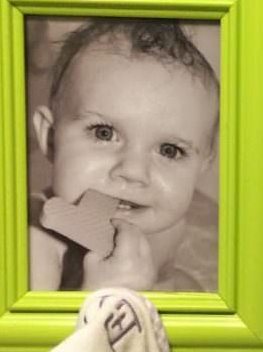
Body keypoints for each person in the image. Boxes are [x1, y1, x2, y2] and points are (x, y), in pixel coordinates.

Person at [28, 18, 219, 292]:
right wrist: (100, 295)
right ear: (50, 138)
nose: (133, 171)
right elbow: (32, 336)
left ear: (203, 164)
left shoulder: (168, 227)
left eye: (169, 150)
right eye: (104, 133)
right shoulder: (38, 243)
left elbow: (165, 283)